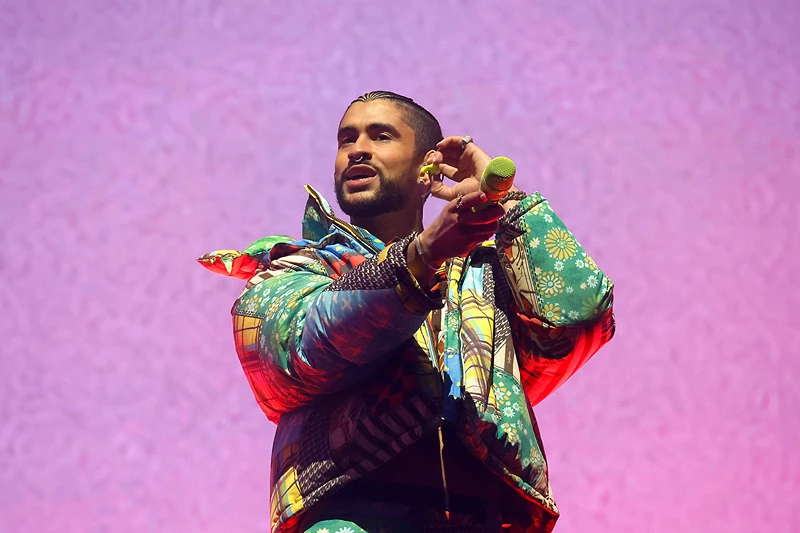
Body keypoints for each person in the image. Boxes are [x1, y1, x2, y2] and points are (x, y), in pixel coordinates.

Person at [199, 91, 616, 533]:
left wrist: (507, 202)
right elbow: (296, 352)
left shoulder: (485, 277)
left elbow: (578, 319)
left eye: (381, 136)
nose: (358, 149)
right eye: (346, 140)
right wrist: (420, 257)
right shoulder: (297, 268)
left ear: (428, 168)